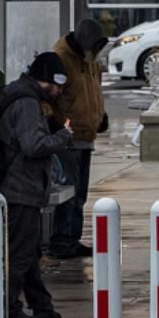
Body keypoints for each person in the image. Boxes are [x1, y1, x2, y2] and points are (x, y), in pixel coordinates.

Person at [0, 52, 73, 318]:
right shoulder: (27, 104)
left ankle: (42, 305)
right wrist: (63, 136)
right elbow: (33, 146)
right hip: (20, 189)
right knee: (20, 255)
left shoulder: (24, 99)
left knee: (28, 253)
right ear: (45, 80)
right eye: (58, 83)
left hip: (21, 187)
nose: (61, 90)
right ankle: (8, 311)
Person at [49, 18, 108, 259]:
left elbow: (94, 91)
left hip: (86, 136)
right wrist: (54, 124)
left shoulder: (90, 61)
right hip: (68, 138)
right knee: (69, 192)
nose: (95, 53)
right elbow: (50, 97)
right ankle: (62, 240)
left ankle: (71, 239)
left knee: (79, 193)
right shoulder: (61, 58)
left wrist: (100, 116)